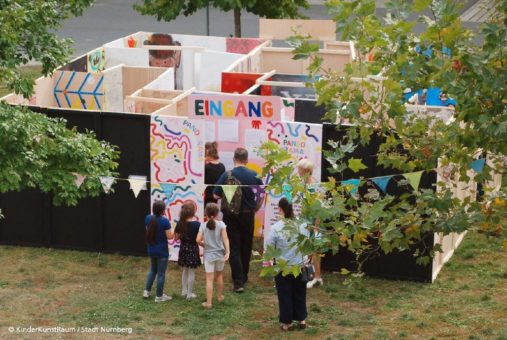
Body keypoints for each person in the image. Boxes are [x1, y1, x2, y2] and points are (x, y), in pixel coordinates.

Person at [213, 147, 263, 292]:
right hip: (248, 215)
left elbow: (215, 196)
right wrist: (255, 208)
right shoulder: (255, 175)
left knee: (233, 246)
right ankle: (244, 275)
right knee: (246, 245)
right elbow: (260, 196)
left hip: (230, 215)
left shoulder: (227, 175)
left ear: (234, 159)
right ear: (247, 160)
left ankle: (238, 281)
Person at [264, 198, 309, 331]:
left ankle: (287, 323)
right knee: (300, 293)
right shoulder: (302, 225)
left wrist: (271, 261)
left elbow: (269, 247)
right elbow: (306, 244)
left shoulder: (276, 228)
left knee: (285, 295)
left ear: (280, 209)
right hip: (300, 265)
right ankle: (302, 320)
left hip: (282, 267)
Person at [196, 203, 230, 309]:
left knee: (209, 279)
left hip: (209, 256)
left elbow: (197, 240)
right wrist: (228, 252)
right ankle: (219, 297)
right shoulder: (221, 224)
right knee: (219, 276)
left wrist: (204, 245)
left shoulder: (203, 225)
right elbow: (225, 239)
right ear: (217, 213)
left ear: (206, 213)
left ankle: (209, 303)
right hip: (220, 255)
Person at [296, 159, 324, 289]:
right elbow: (303, 205)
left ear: (306, 171)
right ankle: (309, 275)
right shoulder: (303, 185)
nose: (298, 172)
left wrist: (316, 226)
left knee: (315, 250)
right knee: (306, 248)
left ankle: (317, 277)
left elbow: (319, 208)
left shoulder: (314, 186)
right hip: (305, 220)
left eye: (300, 169)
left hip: (314, 221)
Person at [143, 200, 173, 302]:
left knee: (152, 271)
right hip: (162, 252)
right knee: (161, 274)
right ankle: (159, 296)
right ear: (163, 211)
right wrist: (177, 232)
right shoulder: (165, 221)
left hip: (151, 249)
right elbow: (169, 236)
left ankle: (146, 291)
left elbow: (149, 230)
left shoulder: (148, 218)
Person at [174, 202, 201, 299]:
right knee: (191, 272)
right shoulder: (197, 224)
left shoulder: (180, 223)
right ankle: (189, 294)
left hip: (183, 248)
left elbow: (176, 238)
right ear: (193, 213)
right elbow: (199, 239)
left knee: (185, 270)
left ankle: (184, 291)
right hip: (193, 249)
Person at [204, 142, 225, 207]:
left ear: (208, 153)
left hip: (206, 196)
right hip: (216, 195)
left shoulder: (206, 167)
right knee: (212, 213)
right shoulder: (222, 166)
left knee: (205, 215)